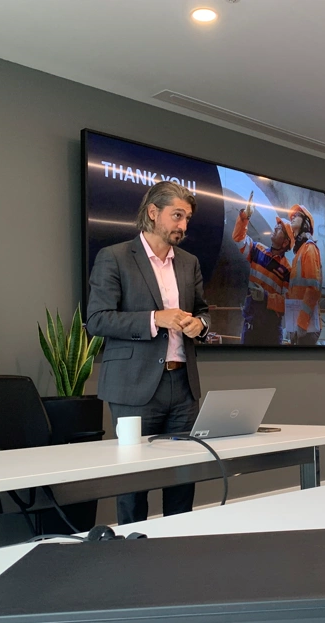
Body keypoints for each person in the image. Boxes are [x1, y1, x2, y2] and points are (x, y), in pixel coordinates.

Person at [86, 181, 211, 525]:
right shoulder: (114, 257)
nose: (183, 225)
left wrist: (200, 325)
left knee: (182, 478)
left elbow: (203, 311)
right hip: (133, 387)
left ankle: (177, 545)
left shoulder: (189, 263)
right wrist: (156, 318)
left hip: (183, 386)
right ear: (153, 213)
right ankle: (133, 548)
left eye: (187, 218)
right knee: (133, 484)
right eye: (177, 216)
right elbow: (97, 320)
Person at [232, 192, 293, 345]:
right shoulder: (257, 250)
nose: (275, 227)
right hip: (250, 326)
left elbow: (288, 303)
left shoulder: (288, 270)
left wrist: (265, 297)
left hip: (271, 332)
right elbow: (238, 238)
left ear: (285, 243)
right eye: (277, 225)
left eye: (280, 228)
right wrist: (245, 217)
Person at [286, 204, 323, 345]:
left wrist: (301, 323)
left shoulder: (310, 248)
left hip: (307, 327)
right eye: (292, 216)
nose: (292, 217)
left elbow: (313, 289)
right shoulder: (300, 253)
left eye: (297, 215)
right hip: (299, 326)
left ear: (306, 223)